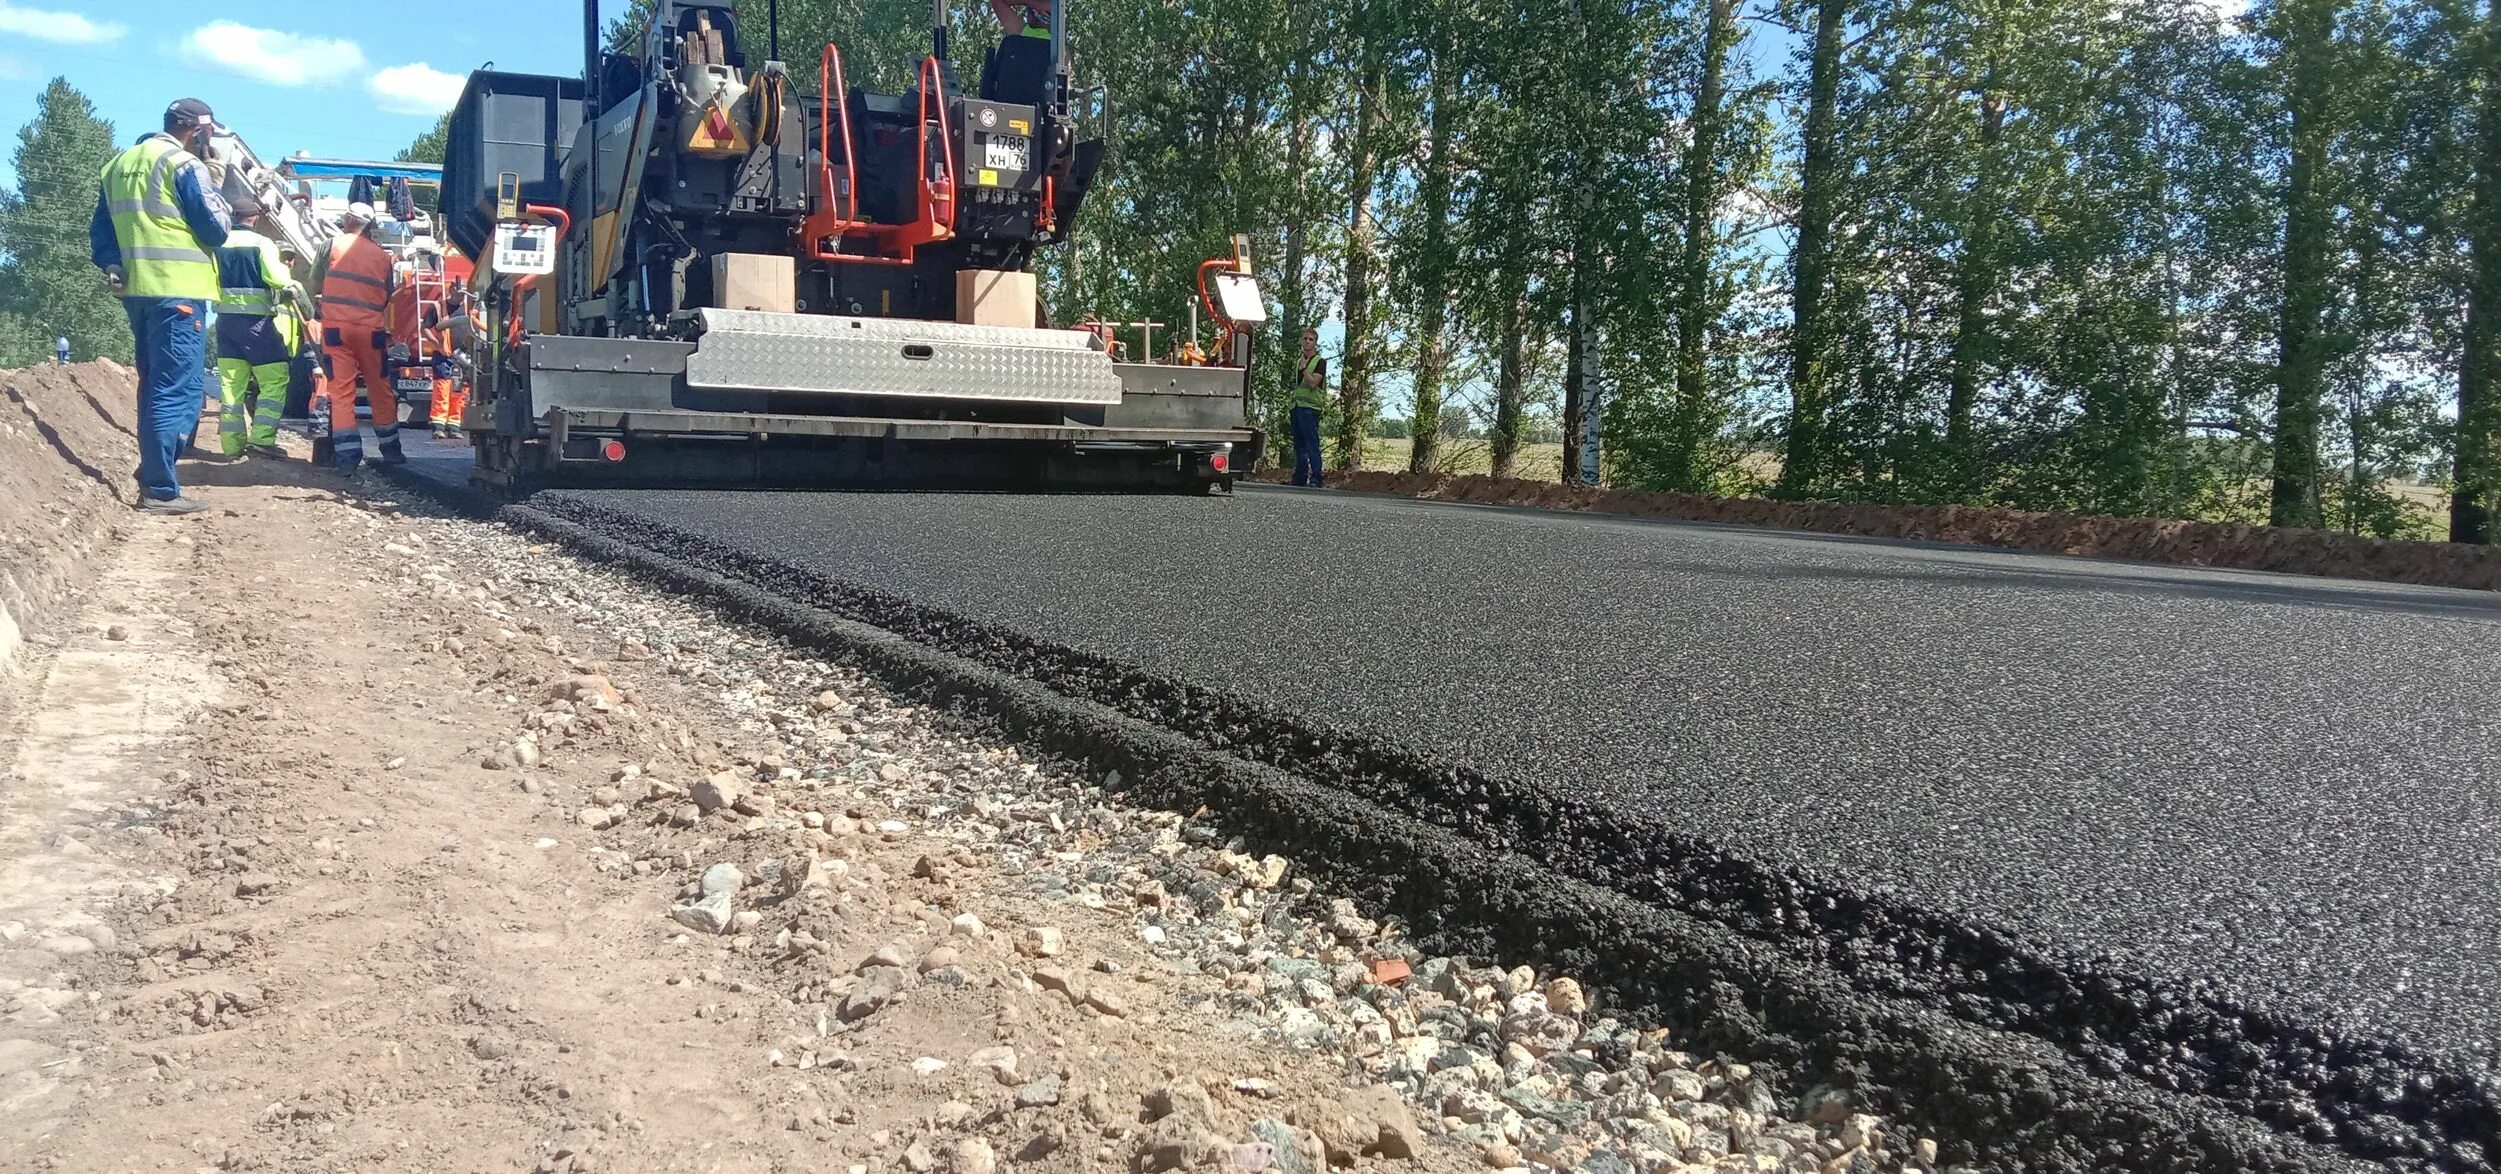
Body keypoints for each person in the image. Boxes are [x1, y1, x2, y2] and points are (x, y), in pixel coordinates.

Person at [91, 96, 231, 516]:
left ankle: (155, 467)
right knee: (177, 389)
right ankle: (160, 489)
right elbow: (216, 229)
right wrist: (217, 182)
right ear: (198, 130)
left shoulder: (117, 165)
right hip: (178, 291)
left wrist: (113, 263)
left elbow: (101, 231)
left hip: (138, 292)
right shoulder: (185, 166)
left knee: (156, 384)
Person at [312, 201, 402, 470]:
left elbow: (315, 280)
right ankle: (391, 450)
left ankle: (348, 459)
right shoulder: (382, 257)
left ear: (347, 219)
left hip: (336, 330)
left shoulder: (331, 245)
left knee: (341, 391)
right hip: (371, 331)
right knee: (380, 388)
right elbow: (388, 293)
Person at [210, 224, 301, 459]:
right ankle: (261, 439)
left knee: (231, 388)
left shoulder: (216, 243)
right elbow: (278, 278)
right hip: (256, 325)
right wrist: (290, 288)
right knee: (276, 378)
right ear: (256, 218)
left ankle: (232, 447)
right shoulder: (262, 243)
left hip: (225, 324)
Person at [1290, 329, 1327, 488]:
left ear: (1315, 342)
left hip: (1310, 408)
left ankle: (1316, 478)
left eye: (1311, 339)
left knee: (1311, 443)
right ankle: (1300, 476)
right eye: (1305, 338)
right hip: (1297, 406)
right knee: (1299, 444)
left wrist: (1305, 369)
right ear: (1301, 341)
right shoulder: (1299, 361)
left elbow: (1313, 383)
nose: (1307, 341)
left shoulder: (1319, 362)